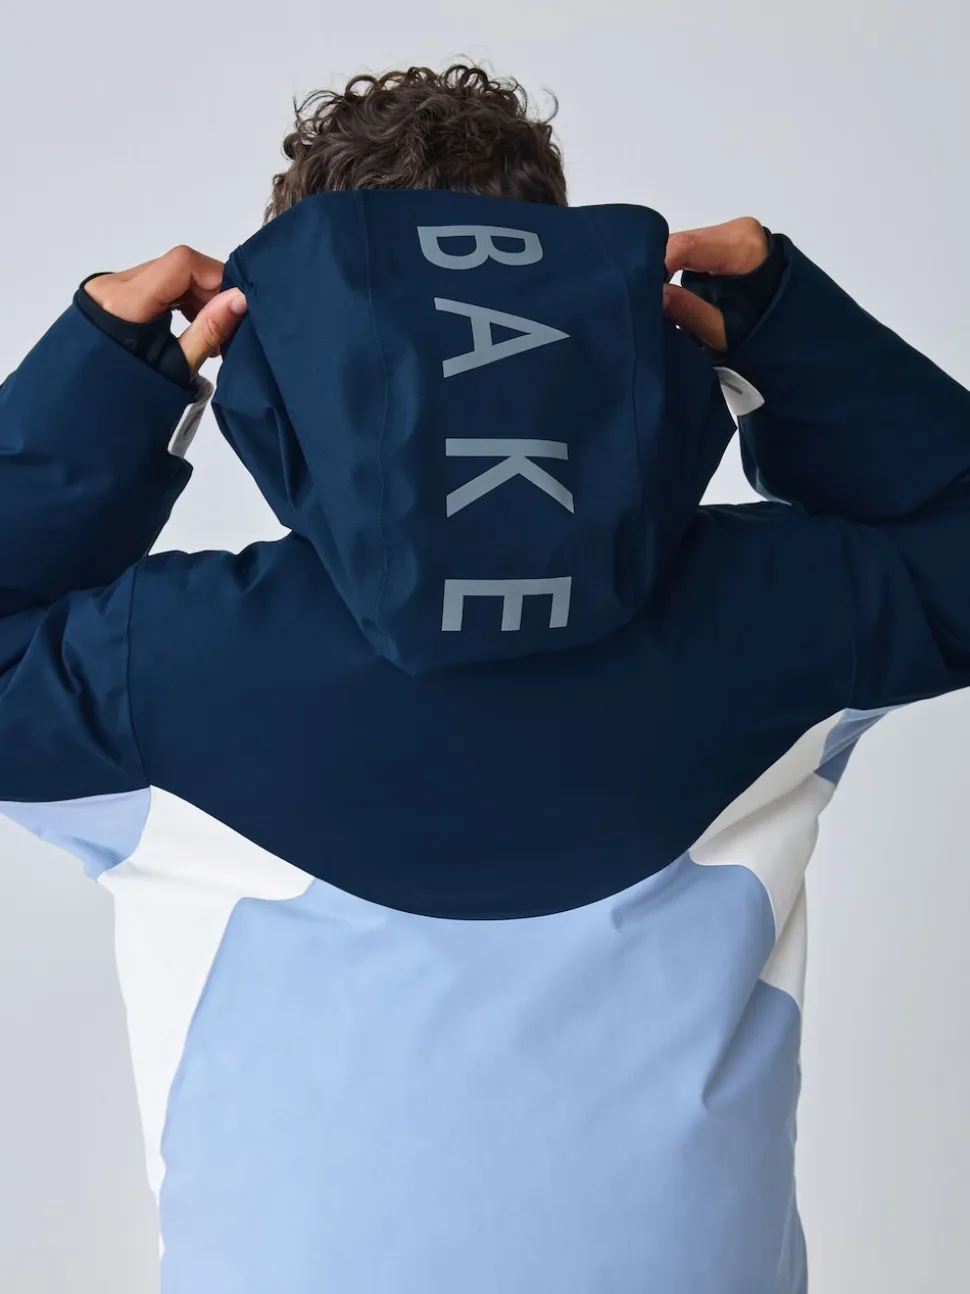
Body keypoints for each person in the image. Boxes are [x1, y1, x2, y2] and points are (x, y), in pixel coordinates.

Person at [1, 61, 967, 1294]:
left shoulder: (163, 666)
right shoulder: (775, 620)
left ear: (295, 338)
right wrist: (791, 331)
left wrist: (100, 380)